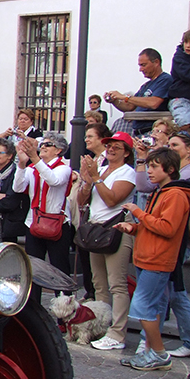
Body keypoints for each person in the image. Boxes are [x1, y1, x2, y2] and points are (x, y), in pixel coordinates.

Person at [115, 148, 190, 371]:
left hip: (157, 259)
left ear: (170, 169)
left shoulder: (176, 195)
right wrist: (133, 228)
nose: (148, 171)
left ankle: (159, 354)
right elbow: (155, 225)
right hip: (148, 257)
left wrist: (138, 213)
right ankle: (151, 352)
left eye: (154, 166)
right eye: (148, 166)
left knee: (143, 307)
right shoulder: (161, 192)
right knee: (151, 307)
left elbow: (168, 228)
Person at [76, 133, 138, 351]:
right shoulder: (100, 171)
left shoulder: (128, 173)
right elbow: (82, 200)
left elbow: (112, 199)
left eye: (117, 147)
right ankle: (101, 326)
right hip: (96, 228)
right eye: (109, 145)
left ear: (127, 153)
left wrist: (96, 178)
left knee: (117, 284)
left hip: (117, 229)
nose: (110, 149)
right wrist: (87, 181)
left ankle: (118, 333)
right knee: (99, 283)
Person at [13, 133, 73, 300]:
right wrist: (22, 164)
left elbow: (53, 180)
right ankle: (33, 309)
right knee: (33, 269)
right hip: (33, 223)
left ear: (59, 150)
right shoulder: (33, 169)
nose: (43, 147)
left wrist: (34, 158)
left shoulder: (64, 168)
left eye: (48, 144)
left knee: (59, 269)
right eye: (43, 144)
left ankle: (64, 313)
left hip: (57, 224)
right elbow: (18, 188)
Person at [104, 48, 172, 135]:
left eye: (143, 65)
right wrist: (115, 101)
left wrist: (125, 97)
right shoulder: (145, 86)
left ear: (156, 62)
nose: (140, 69)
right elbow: (129, 107)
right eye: (140, 65)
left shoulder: (165, 80)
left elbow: (154, 103)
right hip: (138, 133)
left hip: (152, 132)